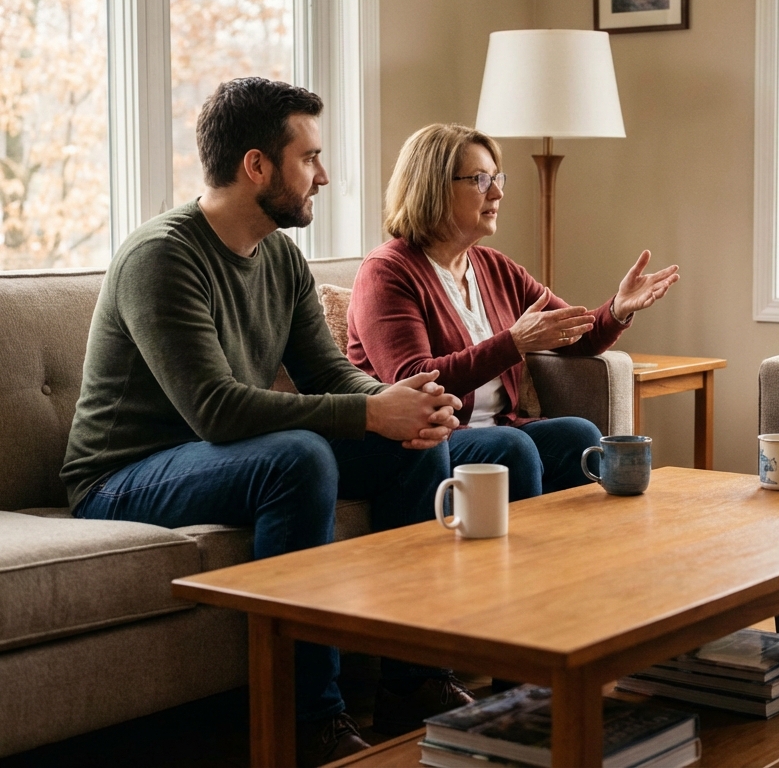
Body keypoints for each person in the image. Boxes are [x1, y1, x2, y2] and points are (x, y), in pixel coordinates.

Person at [61, 78, 496, 766]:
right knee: (298, 456)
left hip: (217, 455)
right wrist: (367, 412)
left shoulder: (281, 258)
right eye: (309, 159)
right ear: (256, 166)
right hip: (122, 476)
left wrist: (398, 400)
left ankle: (413, 682)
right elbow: (217, 409)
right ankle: (306, 717)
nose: (323, 176)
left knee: (416, 447)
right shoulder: (162, 257)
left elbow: (328, 375)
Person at [346, 122, 679, 500]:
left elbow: (573, 335)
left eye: (497, 178)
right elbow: (413, 380)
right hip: (431, 438)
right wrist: (513, 342)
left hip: (500, 427)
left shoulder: (495, 267)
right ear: (435, 187)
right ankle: (516, 559)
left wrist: (618, 309)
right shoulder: (387, 271)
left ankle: (577, 556)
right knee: (512, 447)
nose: (499, 192)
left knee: (580, 435)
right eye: (481, 180)